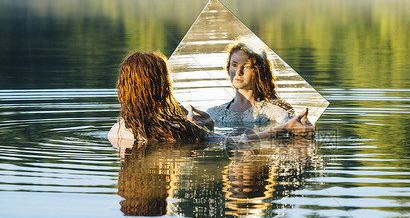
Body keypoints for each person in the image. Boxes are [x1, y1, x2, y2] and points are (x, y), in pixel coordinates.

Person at [108, 51, 313, 148]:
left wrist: (203, 128)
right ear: (162, 87)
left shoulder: (116, 131)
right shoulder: (175, 129)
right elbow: (236, 141)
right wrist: (285, 129)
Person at [205, 38, 294, 125]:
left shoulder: (276, 112)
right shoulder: (214, 114)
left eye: (247, 66)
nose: (238, 72)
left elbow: (291, 130)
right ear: (228, 67)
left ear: (259, 71)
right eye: (234, 65)